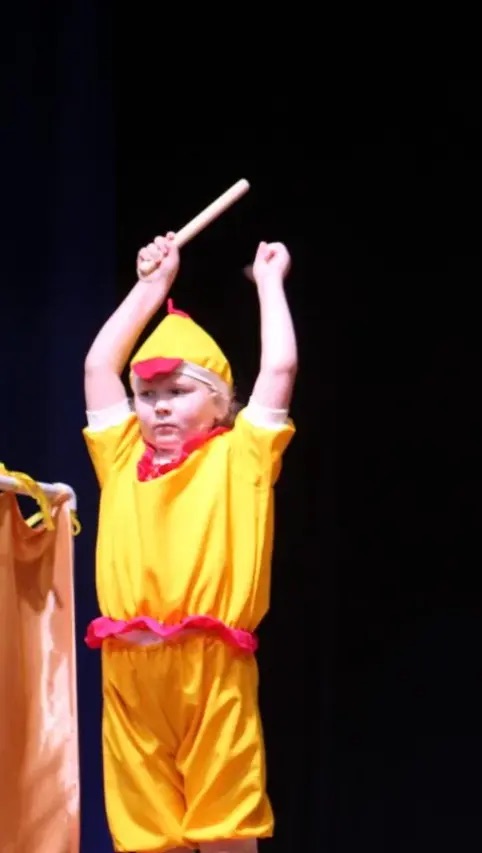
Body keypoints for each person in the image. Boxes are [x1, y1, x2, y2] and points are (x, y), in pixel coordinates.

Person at [82, 231, 298, 853]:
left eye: (178, 392)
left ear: (220, 401)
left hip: (211, 666)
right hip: (128, 669)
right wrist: (152, 288)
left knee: (224, 825)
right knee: (146, 836)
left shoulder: (242, 456)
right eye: (148, 396)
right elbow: (98, 368)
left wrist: (270, 286)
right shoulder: (121, 456)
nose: (159, 408)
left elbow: (279, 369)